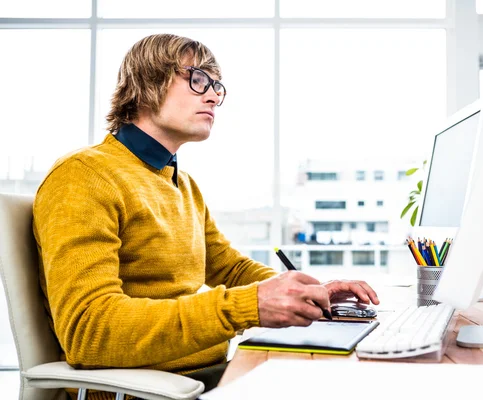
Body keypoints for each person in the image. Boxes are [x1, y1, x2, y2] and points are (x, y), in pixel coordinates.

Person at [33, 34, 379, 398]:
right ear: (146, 81)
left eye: (216, 86)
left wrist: (308, 291)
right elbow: (89, 331)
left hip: (203, 377)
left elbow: (228, 269)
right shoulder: (85, 175)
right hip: (144, 391)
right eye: (197, 80)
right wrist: (251, 305)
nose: (213, 95)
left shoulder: (181, 183)